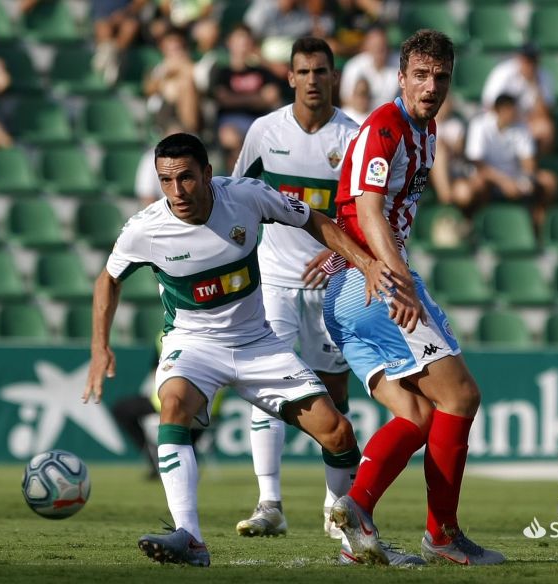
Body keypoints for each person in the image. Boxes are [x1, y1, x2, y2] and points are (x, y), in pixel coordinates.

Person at [83, 132, 393, 567]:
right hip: (193, 344)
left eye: (186, 178)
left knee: (339, 433)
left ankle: (353, 540)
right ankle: (189, 537)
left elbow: (315, 220)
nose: (177, 191)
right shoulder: (145, 229)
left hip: (257, 344)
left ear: (208, 174)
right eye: (166, 181)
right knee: (172, 406)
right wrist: (100, 348)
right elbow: (108, 279)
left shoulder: (246, 197)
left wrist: (364, 262)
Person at [323, 29, 506, 566]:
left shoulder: (423, 130)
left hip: (347, 288)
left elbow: (354, 209)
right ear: (400, 77)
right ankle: (442, 534)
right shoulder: (387, 125)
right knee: (461, 397)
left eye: (441, 77)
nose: (431, 86)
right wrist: (397, 280)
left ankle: (356, 517)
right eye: (421, 76)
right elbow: (371, 208)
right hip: (376, 283)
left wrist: (339, 250)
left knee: (419, 416)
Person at [230, 36, 361, 542]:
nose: (312, 80)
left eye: (321, 71)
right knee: (270, 394)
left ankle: (336, 506)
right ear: (289, 77)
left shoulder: (351, 137)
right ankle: (269, 503)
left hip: (334, 283)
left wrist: (334, 253)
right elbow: (238, 196)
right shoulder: (265, 132)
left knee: (334, 392)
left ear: (334, 76)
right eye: (303, 71)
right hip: (275, 283)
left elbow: (362, 214)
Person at [454, 93, 558, 231]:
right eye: (509, 110)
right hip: (488, 178)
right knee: (479, 183)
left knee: (549, 181)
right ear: (498, 110)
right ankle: (478, 225)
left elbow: (528, 162)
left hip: (515, 179)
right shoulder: (479, 125)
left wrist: (525, 181)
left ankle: (538, 226)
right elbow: (478, 164)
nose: (513, 114)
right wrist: (504, 182)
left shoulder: (521, 126)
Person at [211, 24, 284, 173]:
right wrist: (257, 98)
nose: (243, 45)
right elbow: (224, 99)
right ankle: (235, 182)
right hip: (231, 120)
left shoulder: (262, 71)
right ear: (229, 43)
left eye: (246, 40)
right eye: (239, 40)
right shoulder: (222, 72)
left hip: (260, 120)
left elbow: (272, 96)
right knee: (231, 138)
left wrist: (237, 98)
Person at [481, 43, 555, 154]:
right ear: (518, 58)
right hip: (501, 119)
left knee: (546, 129)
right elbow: (490, 105)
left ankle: (534, 165)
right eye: (526, 60)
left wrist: (535, 86)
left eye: (533, 60)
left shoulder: (544, 76)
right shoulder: (502, 73)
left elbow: (545, 114)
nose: (530, 65)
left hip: (525, 122)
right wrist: (512, 117)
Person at [339, 25, 399, 111]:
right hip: (358, 116)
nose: (380, 51)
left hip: (388, 116)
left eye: (383, 47)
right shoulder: (354, 66)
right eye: (376, 47)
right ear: (367, 47)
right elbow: (345, 99)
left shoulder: (400, 64)